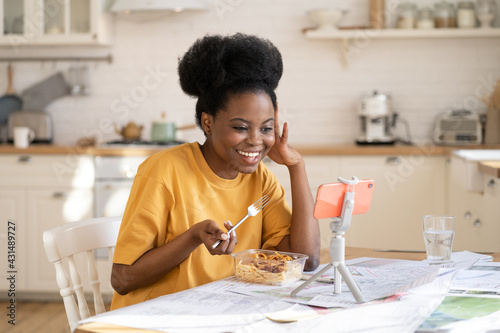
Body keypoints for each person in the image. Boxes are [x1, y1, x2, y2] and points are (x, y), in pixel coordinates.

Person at [110, 33, 320, 310]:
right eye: (241, 127)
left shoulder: (261, 180)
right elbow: (123, 279)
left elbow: (306, 260)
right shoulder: (164, 171)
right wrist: (193, 236)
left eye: (266, 128)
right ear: (208, 123)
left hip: (224, 312)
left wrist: (297, 167)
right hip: (159, 318)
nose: (256, 140)